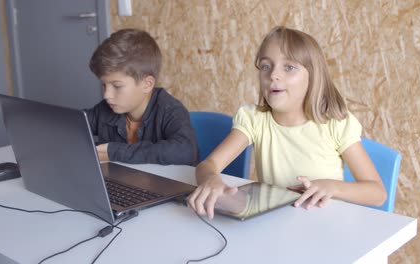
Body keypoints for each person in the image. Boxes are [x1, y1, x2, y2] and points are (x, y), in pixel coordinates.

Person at [187, 26, 387, 219]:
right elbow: (208, 165)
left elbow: (377, 193)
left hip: (325, 229)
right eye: (266, 66)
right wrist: (210, 179)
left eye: (289, 67)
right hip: (275, 226)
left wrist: (331, 187)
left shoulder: (336, 124)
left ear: (313, 77)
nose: (273, 74)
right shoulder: (254, 120)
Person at [86, 28, 198, 165]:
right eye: (104, 85)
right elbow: (73, 124)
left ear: (147, 84)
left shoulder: (170, 110)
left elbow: (185, 151)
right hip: (123, 182)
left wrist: (114, 152)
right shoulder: (105, 109)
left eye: (117, 86)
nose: (106, 95)